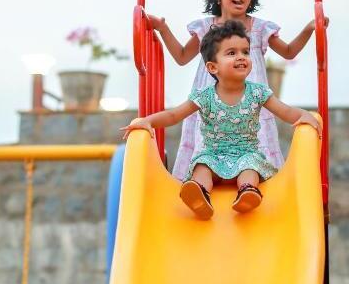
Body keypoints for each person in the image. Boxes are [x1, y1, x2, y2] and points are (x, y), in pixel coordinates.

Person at [147, 0, 328, 181]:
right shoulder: (206, 28)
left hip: (248, 104)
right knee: (207, 145)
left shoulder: (260, 28)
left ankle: (251, 181)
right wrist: (163, 29)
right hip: (213, 103)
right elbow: (182, 56)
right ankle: (202, 182)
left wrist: (310, 28)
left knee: (254, 143)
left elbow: (289, 52)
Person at [120, 20, 321, 220]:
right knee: (202, 166)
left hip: (245, 154)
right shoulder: (204, 96)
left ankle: (247, 192)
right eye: (231, 53)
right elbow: (174, 115)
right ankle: (199, 195)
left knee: (250, 166)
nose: (241, 57)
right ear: (212, 67)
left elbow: (285, 111)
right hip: (213, 155)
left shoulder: (258, 93)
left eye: (245, 52)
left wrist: (304, 115)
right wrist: (148, 121)